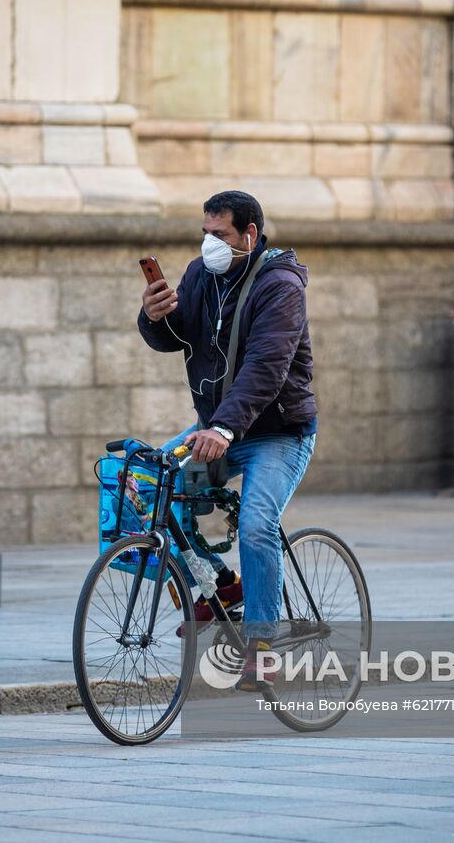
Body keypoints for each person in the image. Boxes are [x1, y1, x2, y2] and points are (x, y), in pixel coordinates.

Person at [137, 190, 317, 691]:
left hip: (277, 433)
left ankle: (262, 648)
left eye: (219, 235)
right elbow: (182, 336)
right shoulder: (200, 274)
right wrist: (155, 318)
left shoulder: (281, 285)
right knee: (150, 483)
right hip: (219, 429)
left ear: (250, 236)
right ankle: (218, 582)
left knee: (259, 523)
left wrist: (221, 427)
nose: (209, 244)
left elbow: (266, 366)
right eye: (204, 234)